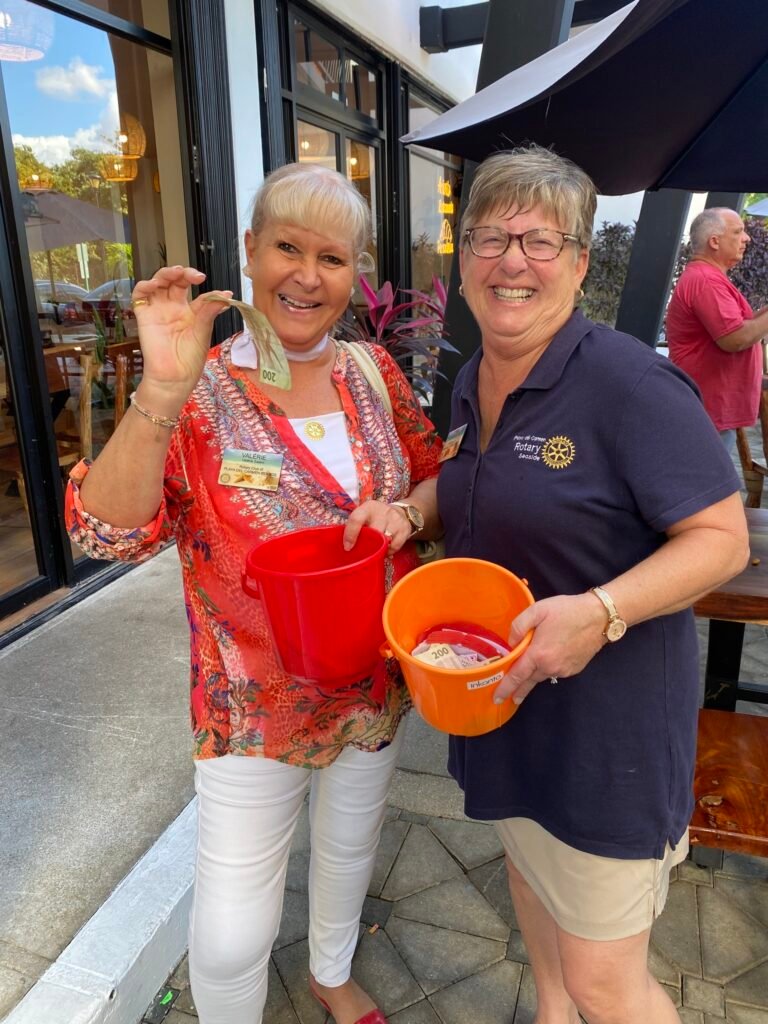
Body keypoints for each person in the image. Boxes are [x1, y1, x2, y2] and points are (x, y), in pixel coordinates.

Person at [65, 162, 442, 1024]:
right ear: (250, 249)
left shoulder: (373, 373)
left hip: (375, 679)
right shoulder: (195, 391)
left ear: (355, 273)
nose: (307, 276)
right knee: (235, 931)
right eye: (287, 248)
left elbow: (437, 476)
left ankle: (332, 973)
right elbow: (107, 535)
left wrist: (407, 513)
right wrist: (162, 387)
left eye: (332, 258)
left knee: (349, 847)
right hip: (252, 702)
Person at [438, 146, 748, 1024]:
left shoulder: (631, 383)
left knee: (605, 982)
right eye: (490, 237)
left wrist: (602, 610)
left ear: (579, 263)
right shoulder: (473, 377)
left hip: (606, 739)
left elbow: (722, 540)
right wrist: (409, 507)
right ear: (463, 260)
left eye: (540, 241)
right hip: (503, 708)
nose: (512, 260)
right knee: (529, 876)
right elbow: (475, 474)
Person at [666, 207, 768, 452]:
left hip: (708, 407)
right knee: (702, 475)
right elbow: (734, 338)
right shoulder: (706, 281)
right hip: (706, 409)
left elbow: (744, 325)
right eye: (738, 232)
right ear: (714, 241)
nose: (746, 238)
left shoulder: (707, 277)